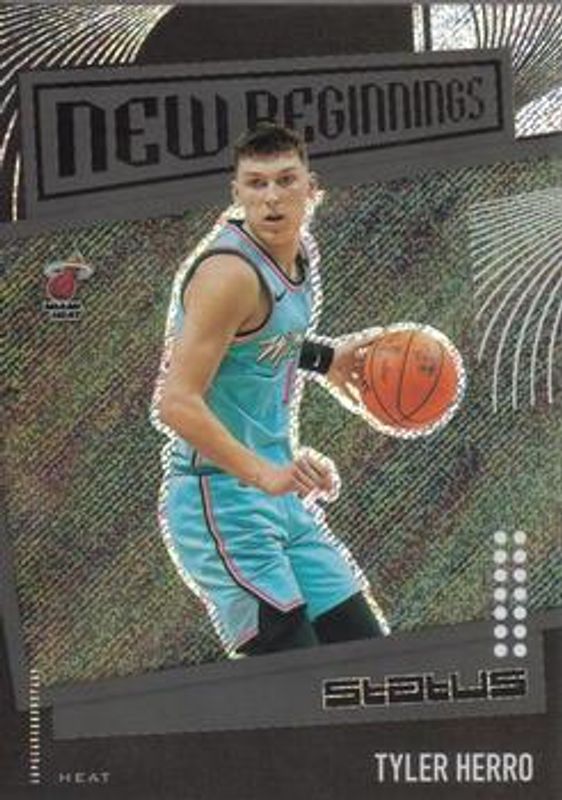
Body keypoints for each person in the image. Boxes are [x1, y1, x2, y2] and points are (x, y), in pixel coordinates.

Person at [155, 123, 387, 656]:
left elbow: (259, 341)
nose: (272, 197)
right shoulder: (228, 275)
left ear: (312, 188)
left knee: (368, 654)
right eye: (256, 183)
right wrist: (266, 472)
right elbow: (176, 402)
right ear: (236, 192)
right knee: (299, 684)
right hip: (221, 503)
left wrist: (326, 359)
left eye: (285, 180)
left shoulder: (298, 254)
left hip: (280, 504)